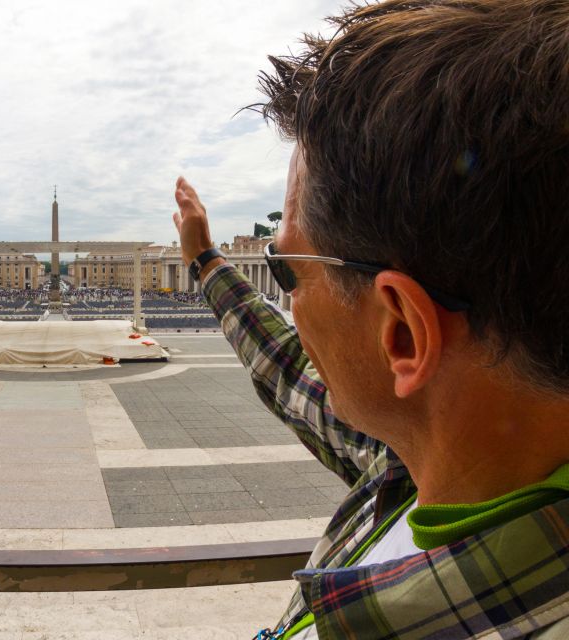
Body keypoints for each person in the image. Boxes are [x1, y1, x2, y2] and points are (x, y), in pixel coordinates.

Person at [172, 1, 569, 638]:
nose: (289, 302)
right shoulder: (423, 461)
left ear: (403, 334)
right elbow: (291, 378)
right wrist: (208, 260)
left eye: (289, 272)